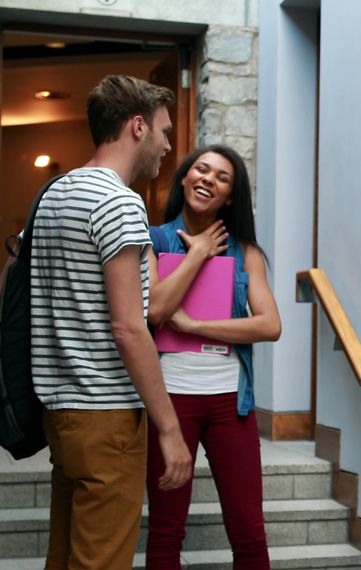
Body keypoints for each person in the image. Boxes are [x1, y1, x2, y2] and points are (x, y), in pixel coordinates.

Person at [30, 74, 193, 569]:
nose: (168, 145)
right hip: (106, 414)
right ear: (137, 126)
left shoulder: (54, 194)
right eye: (164, 131)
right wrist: (169, 428)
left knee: (66, 558)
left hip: (61, 413)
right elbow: (129, 325)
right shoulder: (118, 202)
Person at [143, 144, 282, 569]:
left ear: (231, 197)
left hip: (230, 404)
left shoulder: (247, 253)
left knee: (249, 533)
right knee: (166, 532)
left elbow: (269, 325)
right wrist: (199, 252)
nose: (208, 179)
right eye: (201, 170)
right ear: (184, 178)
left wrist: (196, 326)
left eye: (222, 177)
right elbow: (155, 310)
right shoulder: (153, 240)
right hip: (169, 403)